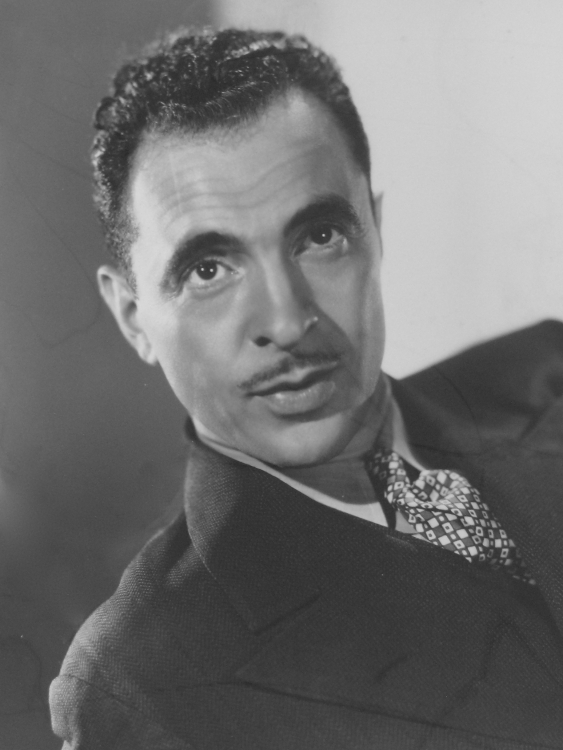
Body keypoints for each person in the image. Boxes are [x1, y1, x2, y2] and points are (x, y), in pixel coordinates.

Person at [49, 27, 563, 749]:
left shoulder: (548, 372)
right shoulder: (141, 679)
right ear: (133, 317)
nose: (288, 322)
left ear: (375, 229)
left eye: (319, 237)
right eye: (208, 270)